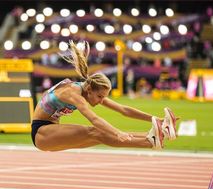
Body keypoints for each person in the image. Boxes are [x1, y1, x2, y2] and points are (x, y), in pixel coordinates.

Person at [31, 41, 178, 152]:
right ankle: (150, 142)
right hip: (41, 132)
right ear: (89, 89)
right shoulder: (72, 93)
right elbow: (94, 119)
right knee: (97, 131)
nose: (102, 101)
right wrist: (117, 132)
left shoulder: (88, 91)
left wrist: (155, 119)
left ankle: (154, 137)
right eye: (100, 96)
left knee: (101, 136)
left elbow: (123, 109)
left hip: (52, 133)